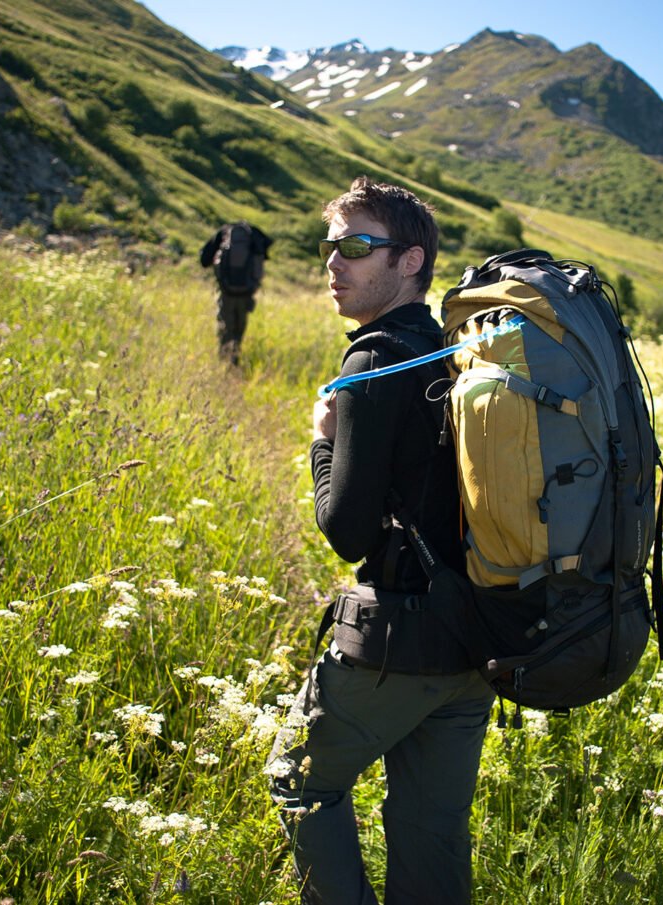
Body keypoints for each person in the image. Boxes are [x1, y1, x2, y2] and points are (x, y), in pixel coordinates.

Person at [268, 177, 494, 904]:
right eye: (331, 245)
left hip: (397, 644)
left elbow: (347, 530)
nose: (335, 261)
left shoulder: (375, 362)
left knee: (298, 779)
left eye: (359, 246)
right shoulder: (452, 354)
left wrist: (322, 442)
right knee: (431, 833)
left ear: (410, 261)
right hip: (475, 645)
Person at [199, 220, 272, 366]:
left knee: (225, 328)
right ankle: (234, 359)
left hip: (226, 292)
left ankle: (224, 361)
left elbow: (204, 260)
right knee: (239, 328)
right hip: (246, 293)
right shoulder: (254, 235)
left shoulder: (224, 233)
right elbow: (265, 251)